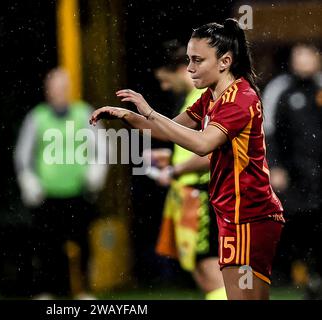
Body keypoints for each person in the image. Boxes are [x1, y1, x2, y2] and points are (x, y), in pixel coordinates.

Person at [90, 19, 284, 300]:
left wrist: (151, 113)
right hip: (233, 214)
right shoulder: (211, 96)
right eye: (189, 60)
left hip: (249, 215)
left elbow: (204, 145)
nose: (190, 68)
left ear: (224, 61)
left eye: (197, 60)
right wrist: (128, 116)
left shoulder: (240, 98)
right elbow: (167, 129)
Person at [14, 68, 107, 299]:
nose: (57, 92)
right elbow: (23, 154)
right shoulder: (37, 117)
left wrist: (96, 172)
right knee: (47, 247)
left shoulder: (83, 113)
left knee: (82, 243)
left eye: (61, 87)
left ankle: (83, 290)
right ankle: (48, 290)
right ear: (47, 90)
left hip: (78, 192)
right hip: (48, 194)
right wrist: (28, 180)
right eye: (53, 88)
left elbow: (102, 147)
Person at [149, 44, 226, 300]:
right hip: (192, 194)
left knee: (211, 267)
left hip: (205, 195)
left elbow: (214, 152)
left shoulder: (204, 98)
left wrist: (175, 169)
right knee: (202, 271)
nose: (164, 87)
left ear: (182, 70)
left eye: (165, 80)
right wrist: (171, 159)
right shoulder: (193, 100)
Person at [268, 44, 322, 299]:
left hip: (319, 173)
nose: (305, 61)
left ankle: (315, 277)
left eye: (309, 55)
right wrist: (274, 165)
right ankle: (292, 273)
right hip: (293, 174)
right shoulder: (279, 89)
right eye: (299, 55)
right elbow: (267, 130)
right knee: (294, 224)